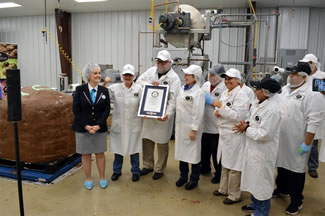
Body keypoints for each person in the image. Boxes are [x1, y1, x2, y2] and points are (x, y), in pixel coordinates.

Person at [274, 61, 324, 215]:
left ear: (304, 76)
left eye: (295, 74)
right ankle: (281, 189)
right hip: (282, 138)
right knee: (281, 165)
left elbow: (314, 121)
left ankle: (296, 201)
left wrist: (307, 143)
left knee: (295, 170)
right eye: (291, 73)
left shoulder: (312, 94)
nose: (291, 76)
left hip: (298, 140)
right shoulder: (283, 90)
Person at [233, 77, 282, 216]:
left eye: (258, 89)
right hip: (254, 149)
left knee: (262, 183)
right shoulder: (258, 102)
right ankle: (255, 204)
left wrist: (246, 129)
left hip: (263, 152)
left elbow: (264, 134)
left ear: (266, 92)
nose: (255, 91)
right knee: (254, 179)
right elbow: (255, 122)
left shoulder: (272, 110)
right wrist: (247, 125)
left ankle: (261, 212)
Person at [136, 50, 181, 180]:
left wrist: (168, 114)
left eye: (163, 61)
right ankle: (147, 165)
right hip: (149, 113)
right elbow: (139, 82)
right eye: (158, 61)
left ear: (169, 63)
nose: (160, 64)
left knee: (162, 142)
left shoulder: (174, 79)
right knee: (147, 140)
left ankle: (160, 168)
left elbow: (173, 99)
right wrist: (150, 84)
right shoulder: (151, 71)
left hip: (162, 116)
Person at [212, 68, 249, 205]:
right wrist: (218, 110)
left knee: (234, 166)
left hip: (234, 134)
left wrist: (221, 107)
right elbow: (220, 108)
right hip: (224, 134)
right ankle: (223, 189)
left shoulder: (241, 95)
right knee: (225, 163)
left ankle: (234, 194)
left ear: (238, 81)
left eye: (230, 79)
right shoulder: (226, 93)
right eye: (226, 79)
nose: (227, 81)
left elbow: (238, 116)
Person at [72, 63, 110, 190]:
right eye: (95, 73)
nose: (98, 75)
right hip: (83, 129)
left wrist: (98, 125)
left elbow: (106, 110)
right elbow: (76, 110)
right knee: (86, 154)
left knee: (100, 154)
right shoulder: (79, 90)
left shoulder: (104, 91)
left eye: (99, 73)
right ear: (88, 75)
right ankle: (88, 179)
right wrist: (86, 126)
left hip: (99, 129)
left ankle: (102, 177)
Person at [108, 64, 143, 182]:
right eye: (126, 74)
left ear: (134, 76)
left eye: (130, 75)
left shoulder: (139, 89)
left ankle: (135, 171)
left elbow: (146, 103)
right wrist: (103, 83)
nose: (128, 77)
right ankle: (116, 171)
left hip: (134, 124)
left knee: (134, 149)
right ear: (122, 75)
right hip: (119, 124)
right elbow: (102, 96)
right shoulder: (114, 88)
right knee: (118, 149)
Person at [174, 64, 205, 190]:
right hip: (180, 128)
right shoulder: (183, 88)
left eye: (188, 75)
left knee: (193, 155)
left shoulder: (199, 93)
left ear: (195, 77)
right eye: (185, 74)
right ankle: (183, 176)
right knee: (182, 153)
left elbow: (198, 113)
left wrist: (194, 129)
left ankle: (194, 179)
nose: (185, 76)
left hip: (191, 129)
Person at [299, 54, 325, 178]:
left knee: (313, 142)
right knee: (299, 140)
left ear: (314, 64)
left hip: (316, 113)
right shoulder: (302, 75)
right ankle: (299, 163)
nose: (308, 65)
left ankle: (312, 167)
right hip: (301, 112)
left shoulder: (322, 76)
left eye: (310, 62)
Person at [201, 64, 226, 184]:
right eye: (209, 74)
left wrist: (211, 102)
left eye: (213, 75)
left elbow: (222, 105)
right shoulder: (205, 85)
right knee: (204, 149)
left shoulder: (225, 88)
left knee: (216, 152)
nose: (210, 76)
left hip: (216, 125)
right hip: (204, 123)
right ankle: (205, 167)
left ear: (221, 76)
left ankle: (218, 173)